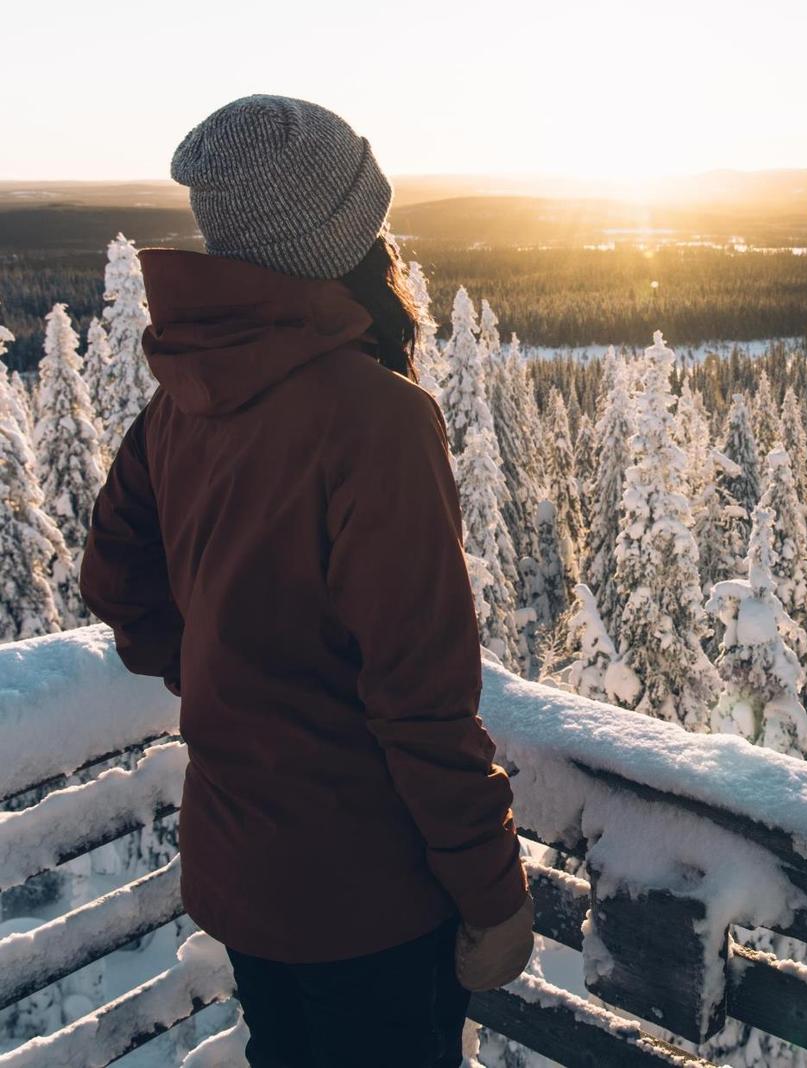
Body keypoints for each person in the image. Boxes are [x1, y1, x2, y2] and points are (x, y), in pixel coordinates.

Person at [80, 94, 534, 1067]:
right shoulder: (375, 420)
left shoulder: (190, 387)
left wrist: (210, 667)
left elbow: (117, 574)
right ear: (343, 233)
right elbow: (421, 700)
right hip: (368, 898)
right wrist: (493, 900)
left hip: (243, 873)